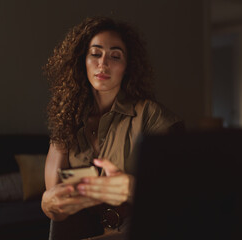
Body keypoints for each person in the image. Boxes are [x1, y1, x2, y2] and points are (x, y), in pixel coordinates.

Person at [41, 16, 184, 240]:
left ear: (127, 67)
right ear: (82, 60)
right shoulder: (66, 119)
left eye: (115, 56)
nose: (103, 63)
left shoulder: (150, 115)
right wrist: (47, 204)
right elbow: (57, 205)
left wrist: (131, 187)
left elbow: (180, 195)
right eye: (95, 54)